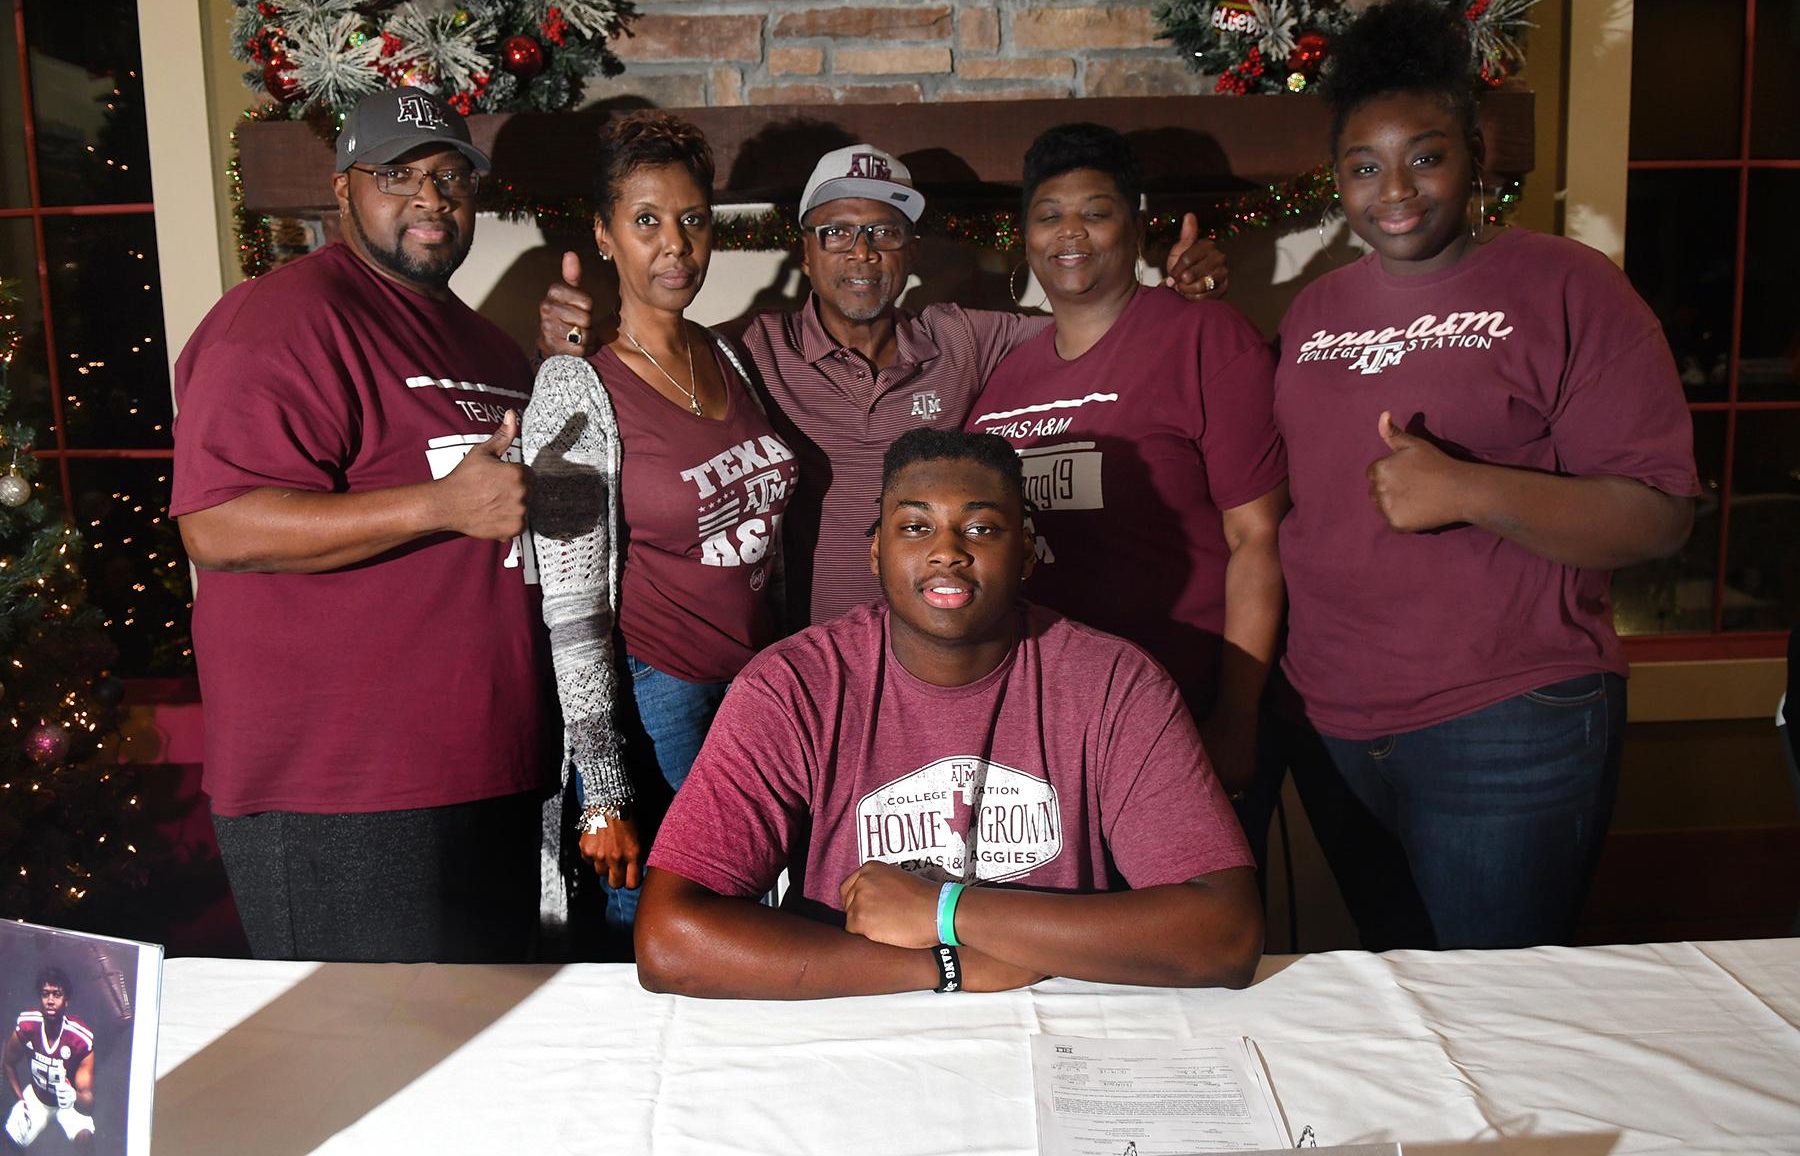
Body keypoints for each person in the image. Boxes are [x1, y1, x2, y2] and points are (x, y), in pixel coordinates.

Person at [1272, 0, 1699, 951]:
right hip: (1333, 717)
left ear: (1476, 150)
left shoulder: (1567, 284)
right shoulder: (1314, 312)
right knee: (1405, 1000)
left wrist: (1470, 490)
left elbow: (1661, 515)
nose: (1396, 190)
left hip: (1509, 716)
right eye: (1363, 166)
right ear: (1335, 178)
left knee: (1499, 1014)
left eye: (1425, 156)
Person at [634, 429, 1261, 998]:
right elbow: (670, 941)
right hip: (859, 1024)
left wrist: (947, 912)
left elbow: (1226, 935)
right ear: (875, 552)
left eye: (983, 528)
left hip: (1061, 1033)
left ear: (1027, 552)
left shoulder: (1114, 684)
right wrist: (946, 969)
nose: (947, 552)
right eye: (914, 527)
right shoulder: (794, 685)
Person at [536, 143, 1231, 630]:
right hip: (806, 658)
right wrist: (563, 340)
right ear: (803, 252)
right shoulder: (747, 349)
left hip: (946, 646)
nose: (861, 253)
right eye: (836, 232)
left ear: (913, 251)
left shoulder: (962, 336)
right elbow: (640, 370)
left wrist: (1174, 286)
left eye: (884, 232)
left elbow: (1090, 326)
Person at [171, 88, 549, 963]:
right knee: (364, 1066)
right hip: (341, 788)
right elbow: (218, 525)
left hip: (488, 764)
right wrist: (442, 506)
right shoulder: (280, 320)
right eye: (397, 174)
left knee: (482, 1070)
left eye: (450, 175)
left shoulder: (486, 346)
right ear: (343, 187)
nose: (430, 198)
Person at [524, 112, 798, 949]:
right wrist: (605, 790)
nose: (674, 245)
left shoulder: (728, 356)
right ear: (605, 236)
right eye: (646, 221)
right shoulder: (574, 392)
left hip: (749, 689)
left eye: (693, 219)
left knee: (744, 916)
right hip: (656, 699)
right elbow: (570, 610)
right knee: (658, 929)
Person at [966, 123, 1288, 823]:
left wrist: (1236, 718)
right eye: (1048, 215)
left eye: (1096, 211)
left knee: (1190, 928)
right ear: (1025, 237)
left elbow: (1257, 539)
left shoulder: (1204, 337)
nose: (1069, 232)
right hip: (1045, 728)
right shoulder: (1004, 379)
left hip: (1181, 713)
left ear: (1138, 227)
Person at [3, 969, 95, 1152]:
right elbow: (8, 1063)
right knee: (12, 1139)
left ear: (66, 1001)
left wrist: (74, 1095)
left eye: (57, 994)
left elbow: (88, 1100)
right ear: (40, 999)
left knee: (85, 1138)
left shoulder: (79, 1037)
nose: (50, 1001)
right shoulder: (28, 1025)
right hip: (37, 1099)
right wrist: (20, 1100)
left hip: (67, 1103)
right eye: (45, 994)